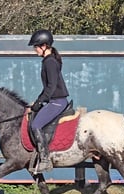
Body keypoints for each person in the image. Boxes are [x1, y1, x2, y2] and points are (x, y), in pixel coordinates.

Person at [28, 29, 70, 173]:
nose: (35, 50)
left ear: (44, 46)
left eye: (36, 47)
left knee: (35, 125)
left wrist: (40, 103)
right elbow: (47, 87)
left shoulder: (50, 62)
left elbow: (51, 87)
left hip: (57, 101)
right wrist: (37, 101)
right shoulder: (49, 60)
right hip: (54, 100)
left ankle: (45, 160)